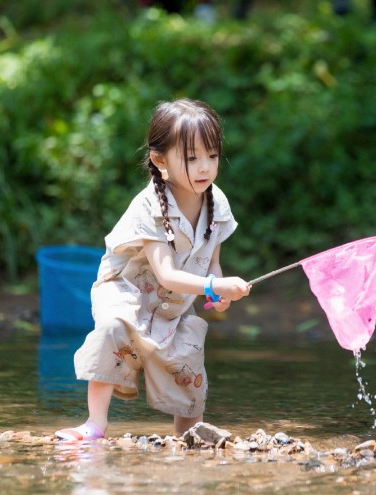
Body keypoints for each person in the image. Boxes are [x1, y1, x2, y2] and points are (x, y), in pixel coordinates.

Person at [55, 98, 251, 442]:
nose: (204, 166)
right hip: (126, 289)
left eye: (212, 155)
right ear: (160, 160)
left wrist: (218, 290)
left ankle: (189, 432)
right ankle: (95, 423)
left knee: (188, 352)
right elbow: (165, 274)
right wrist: (213, 286)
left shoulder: (217, 203)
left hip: (174, 301)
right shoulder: (149, 206)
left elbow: (212, 261)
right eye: (191, 158)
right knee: (115, 330)